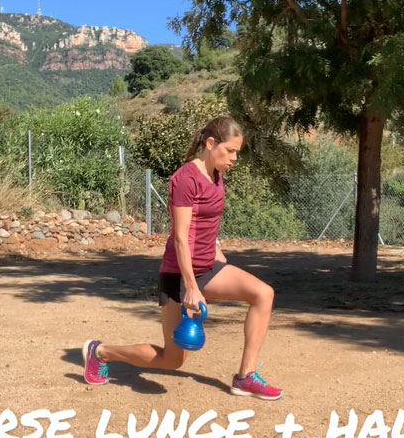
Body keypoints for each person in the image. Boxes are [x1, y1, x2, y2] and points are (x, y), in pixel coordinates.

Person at [82, 116, 283, 400]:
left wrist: (215, 247)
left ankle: (245, 377)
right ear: (211, 143)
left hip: (207, 267)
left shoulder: (216, 175)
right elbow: (180, 236)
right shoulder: (186, 179)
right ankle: (100, 352)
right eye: (230, 150)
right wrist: (191, 287)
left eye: (237, 152)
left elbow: (206, 221)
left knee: (263, 294)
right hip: (179, 274)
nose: (234, 158)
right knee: (172, 360)